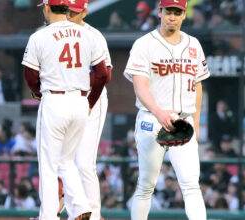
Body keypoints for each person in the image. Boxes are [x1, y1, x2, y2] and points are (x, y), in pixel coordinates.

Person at [123, 0, 210, 219]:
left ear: (184, 14)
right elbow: (139, 86)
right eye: (168, 11)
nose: (172, 16)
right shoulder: (144, 44)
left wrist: (197, 124)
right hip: (151, 119)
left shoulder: (194, 44)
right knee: (146, 184)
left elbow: (198, 85)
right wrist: (159, 112)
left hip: (184, 120)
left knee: (191, 184)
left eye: (177, 12)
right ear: (159, 12)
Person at [22, 0, 108, 219]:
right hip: (80, 101)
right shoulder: (88, 34)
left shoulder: (40, 36)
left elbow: (30, 77)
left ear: (48, 8)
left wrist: (39, 92)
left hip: (55, 100)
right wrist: (90, 102)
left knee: (49, 165)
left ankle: (48, 216)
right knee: (66, 161)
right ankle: (80, 207)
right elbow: (103, 74)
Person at [65, 0, 112, 219]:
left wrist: (90, 101)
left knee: (84, 162)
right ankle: (64, 210)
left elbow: (106, 74)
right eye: (66, 11)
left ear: (84, 11)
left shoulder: (94, 36)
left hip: (92, 98)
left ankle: (94, 214)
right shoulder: (55, 33)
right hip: (65, 101)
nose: (69, 16)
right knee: (62, 161)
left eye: (74, 12)